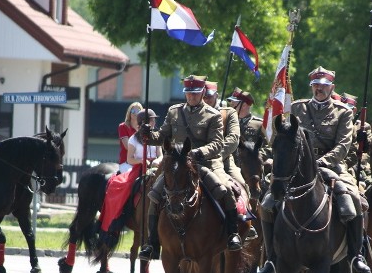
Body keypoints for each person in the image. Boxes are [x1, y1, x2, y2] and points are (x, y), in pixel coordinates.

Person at [255, 66, 370, 273]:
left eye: (324, 86)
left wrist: (321, 162)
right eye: (316, 85)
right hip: (298, 168)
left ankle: (356, 256)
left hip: (331, 166)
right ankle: (271, 259)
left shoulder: (343, 112)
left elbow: (344, 145)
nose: (319, 89)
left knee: (353, 199)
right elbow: (284, 137)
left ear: (331, 88)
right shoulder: (297, 108)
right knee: (267, 203)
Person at [138, 74, 242, 261]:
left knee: (225, 190)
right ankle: (152, 243)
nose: (191, 97)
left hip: (205, 163)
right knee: (154, 195)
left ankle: (232, 233)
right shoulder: (174, 112)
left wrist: (197, 153)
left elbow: (217, 144)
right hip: (178, 165)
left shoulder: (213, 115)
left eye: (195, 93)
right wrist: (147, 134)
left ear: (202, 92)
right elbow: (162, 137)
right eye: (188, 93)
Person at [96, 109, 161, 247]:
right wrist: (142, 161)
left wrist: (157, 160)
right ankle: (122, 215)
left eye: (154, 120)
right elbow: (130, 159)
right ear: (144, 123)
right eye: (152, 120)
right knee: (127, 188)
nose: (154, 122)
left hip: (155, 169)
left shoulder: (157, 137)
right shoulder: (133, 139)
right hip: (139, 169)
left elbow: (160, 154)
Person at [205, 81, 257, 240]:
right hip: (195, 160)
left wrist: (215, 154)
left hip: (224, 161)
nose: (206, 99)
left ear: (216, 96)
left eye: (209, 96)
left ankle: (244, 222)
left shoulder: (227, 114)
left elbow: (233, 139)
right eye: (204, 96)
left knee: (242, 185)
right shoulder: (190, 112)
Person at [118, 102, 143, 174]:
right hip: (126, 163)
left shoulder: (143, 128)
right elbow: (127, 146)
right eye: (133, 111)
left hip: (141, 162)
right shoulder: (123, 126)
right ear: (129, 113)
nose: (135, 113)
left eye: (137, 111)